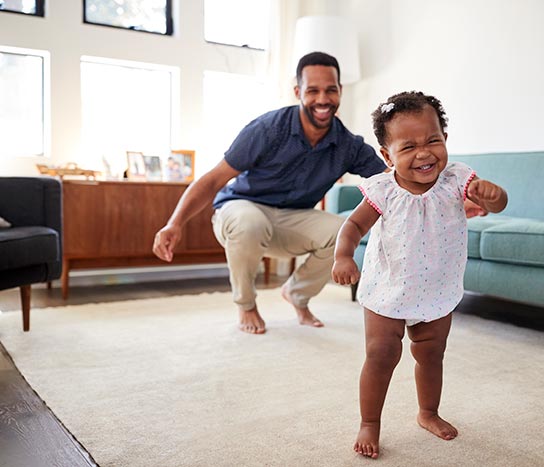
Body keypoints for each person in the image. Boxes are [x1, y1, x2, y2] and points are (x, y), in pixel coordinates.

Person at [152, 52, 388, 334]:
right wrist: (174, 223)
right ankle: (246, 305)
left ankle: (297, 294)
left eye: (330, 90)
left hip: (293, 219)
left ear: (340, 91)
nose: (323, 99)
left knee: (342, 230)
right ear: (298, 92)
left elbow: (389, 180)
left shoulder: (348, 144)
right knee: (250, 222)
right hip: (241, 210)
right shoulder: (267, 129)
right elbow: (214, 179)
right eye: (313, 90)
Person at [332, 91, 508, 458]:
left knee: (431, 353)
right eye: (408, 146)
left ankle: (428, 412)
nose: (424, 153)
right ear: (387, 155)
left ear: (445, 138)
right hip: (388, 286)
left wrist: (492, 195)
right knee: (381, 353)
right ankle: (370, 422)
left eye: (433, 140)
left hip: (437, 287)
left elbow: (496, 203)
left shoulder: (458, 179)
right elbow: (352, 226)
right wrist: (344, 256)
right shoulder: (383, 189)